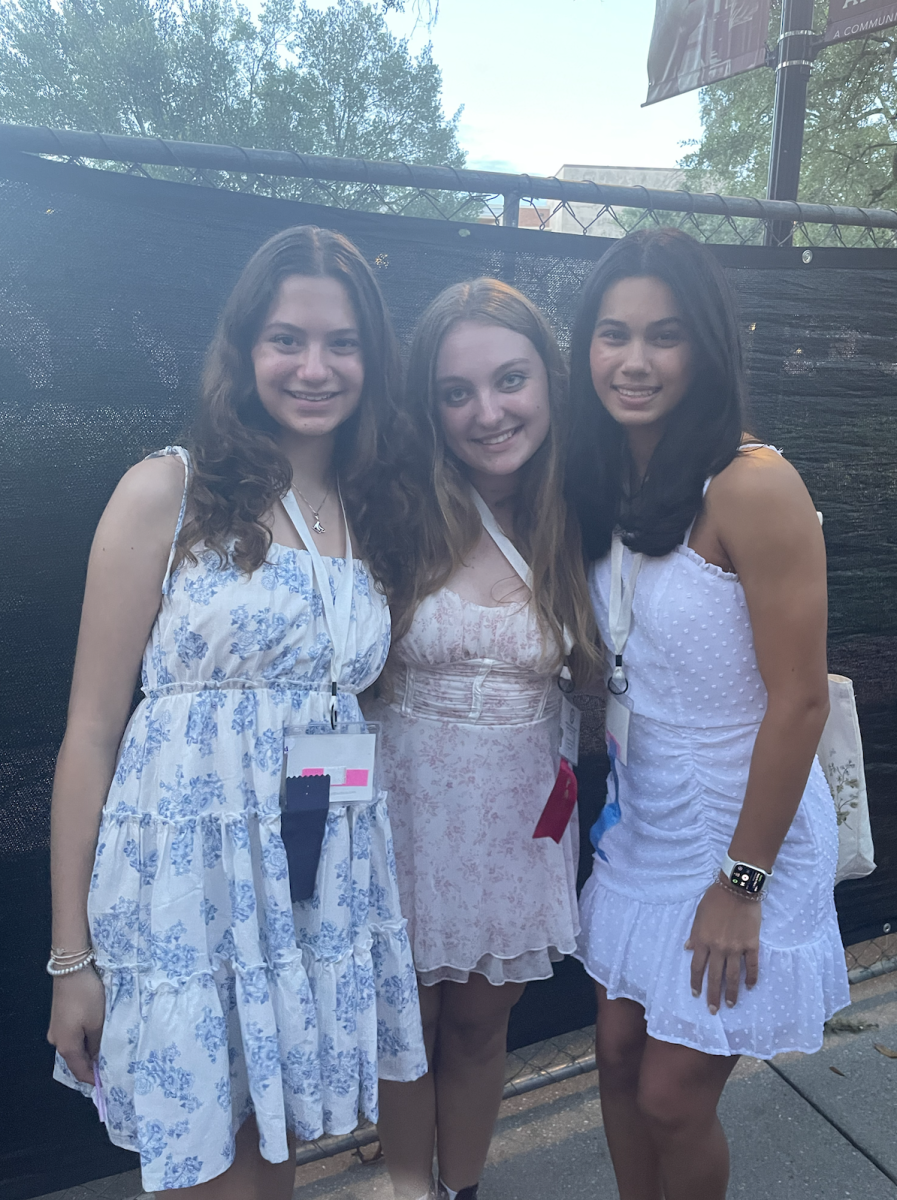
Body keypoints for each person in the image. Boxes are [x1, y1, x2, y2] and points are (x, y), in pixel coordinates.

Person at [47, 225, 427, 1197]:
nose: (314, 366)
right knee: (207, 1173)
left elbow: (340, 719)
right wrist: (68, 958)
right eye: (286, 338)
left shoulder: (370, 505)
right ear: (244, 349)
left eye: (341, 342)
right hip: (187, 897)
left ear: (371, 360)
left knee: (274, 1165)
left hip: (310, 884)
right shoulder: (165, 492)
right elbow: (92, 732)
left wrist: (317, 890)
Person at [568, 228, 850, 1200]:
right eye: (613, 334)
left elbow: (802, 697)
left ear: (707, 348)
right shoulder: (615, 479)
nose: (634, 360)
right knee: (613, 1058)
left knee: (674, 1097)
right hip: (647, 821)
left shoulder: (754, 483)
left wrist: (743, 881)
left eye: (665, 335)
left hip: (747, 835)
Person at [365, 278, 600, 1200]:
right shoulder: (391, 507)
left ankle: (460, 1188)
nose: (486, 412)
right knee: (403, 1026)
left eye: (509, 381)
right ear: (428, 405)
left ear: (549, 380)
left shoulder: (585, 510)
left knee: (475, 1029)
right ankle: (404, 1188)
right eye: (455, 393)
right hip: (399, 812)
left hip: (515, 824)